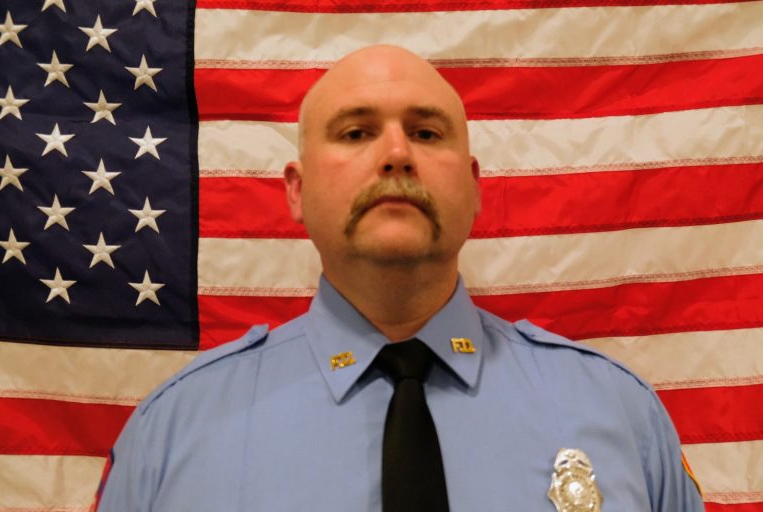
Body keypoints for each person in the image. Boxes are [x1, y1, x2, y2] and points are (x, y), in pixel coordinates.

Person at [95, 45, 704, 511]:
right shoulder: (174, 432)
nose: (396, 153)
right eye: (356, 132)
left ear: (474, 188)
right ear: (297, 191)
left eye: (426, 132)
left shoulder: (618, 415)